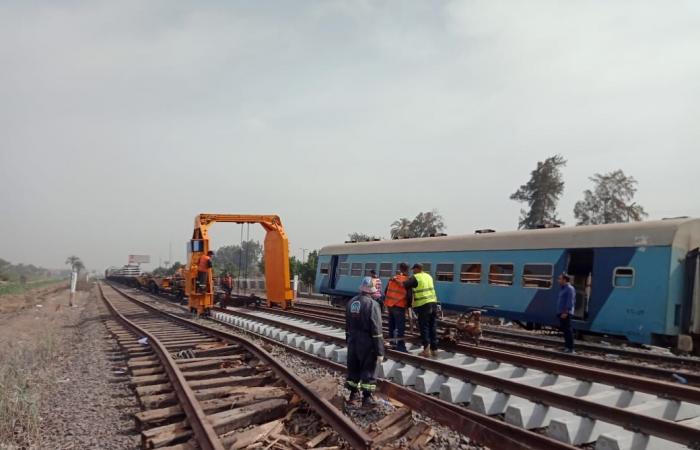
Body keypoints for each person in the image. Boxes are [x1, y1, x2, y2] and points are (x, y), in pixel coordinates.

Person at [345, 276, 385, 408]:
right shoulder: (373, 304)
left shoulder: (351, 302)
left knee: (354, 367)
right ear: (371, 290)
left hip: (353, 341)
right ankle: (367, 399)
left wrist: (349, 341)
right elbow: (377, 329)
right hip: (367, 343)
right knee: (369, 369)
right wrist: (380, 350)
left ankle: (353, 396)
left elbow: (347, 326)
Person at [403, 263, 439, 357]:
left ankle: (426, 349)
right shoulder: (429, 276)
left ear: (418, 269)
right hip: (433, 303)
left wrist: (396, 279)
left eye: (414, 269)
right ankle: (434, 349)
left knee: (424, 327)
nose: (413, 271)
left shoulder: (416, 277)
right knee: (433, 326)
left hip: (423, 305)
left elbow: (405, 285)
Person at [384, 263, 410, 352]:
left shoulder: (393, 279)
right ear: (407, 269)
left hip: (390, 305)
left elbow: (385, 291)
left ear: (399, 268)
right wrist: (408, 306)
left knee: (391, 325)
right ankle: (401, 346)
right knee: (400, 327)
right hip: (399, 306)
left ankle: (392, 343)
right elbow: (409, 296)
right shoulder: (407, 280)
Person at [558, 273, 576, 353]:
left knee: (568, 330)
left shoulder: (569, 288)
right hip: (562, 312)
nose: (558, 280)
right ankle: (566, 346)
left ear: (564, 280)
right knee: (565, 330)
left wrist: (565, 312)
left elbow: (570, 301)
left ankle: (571, 348)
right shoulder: (563, 288)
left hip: (566, 313)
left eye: (560, 279)